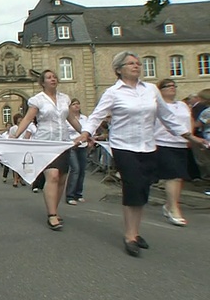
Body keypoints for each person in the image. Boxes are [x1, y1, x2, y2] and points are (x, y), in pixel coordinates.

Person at [75, 51, 205, 257]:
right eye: (131, 63)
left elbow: (167, 117)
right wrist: (85, 133)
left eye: (138, 63)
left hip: (148, 146)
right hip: (124, 147)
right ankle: (130, 236)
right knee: (133, 186)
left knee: (143, 189)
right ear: (119, 69)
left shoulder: (151, 90)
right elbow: (97, 116)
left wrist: (191, 137)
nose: (137, 66)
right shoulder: (113, 92)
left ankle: (136, 231)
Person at [13, 70, 82, 231]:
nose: (53, 79)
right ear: (42, 82)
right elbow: (28, 119)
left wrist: (85, 132)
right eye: (49, 77)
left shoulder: (65, 98)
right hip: (44, 142)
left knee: (62, 178)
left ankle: (55, 210)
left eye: (54, 77)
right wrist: (16, 135)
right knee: (53, 175)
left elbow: (71, 119)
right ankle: (51, 215)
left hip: (62, 142)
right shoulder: (37, 100)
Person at [154, 79, 191, 226]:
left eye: (173, 86)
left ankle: (169, 205)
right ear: (160, 90)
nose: (171, 88)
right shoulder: (157, 106)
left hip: (180, 144)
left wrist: (191, 138)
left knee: (179, 177)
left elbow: (190, 122)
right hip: (163, 142)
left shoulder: (182, 105)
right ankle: (174, 209)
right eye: (167, 86)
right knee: (173, 176)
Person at [65, 98, 89, 205]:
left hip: (83, 145)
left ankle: (78, 193)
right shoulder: (67, 119)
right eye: (74, 104)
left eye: (78, 104)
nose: (76, 106)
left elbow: (88, 130)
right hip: (72, 145)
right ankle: (70, 195)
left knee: (82, 170)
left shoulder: (84, 118)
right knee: (75, 169)